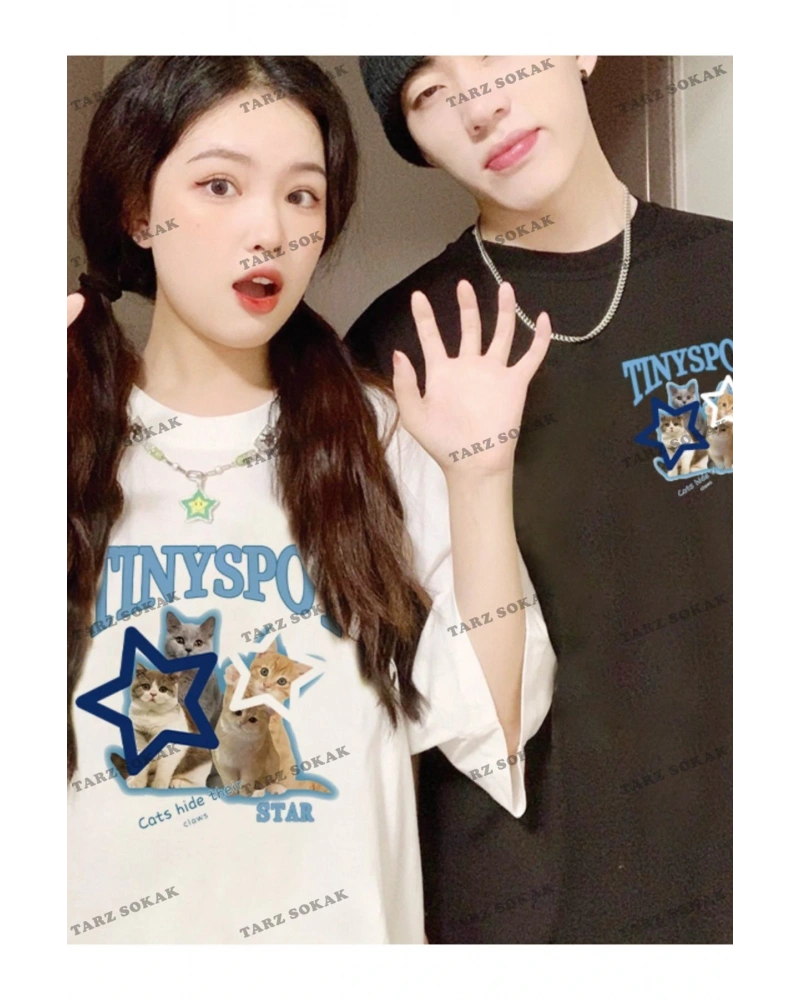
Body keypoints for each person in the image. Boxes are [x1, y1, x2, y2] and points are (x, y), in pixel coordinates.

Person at [64, 55, 557, 945]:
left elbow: (496, 718)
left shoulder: (376, 435)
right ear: (138, 210)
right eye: (220, 185)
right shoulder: (58, 437)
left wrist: (479, 477)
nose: (270, 231)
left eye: (302, 196)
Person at [347, 55, 734, 944]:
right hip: (526, 906)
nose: (478, 106)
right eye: (429, 94)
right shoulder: (393, 352)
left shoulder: (743, 275)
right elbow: (408, 690)